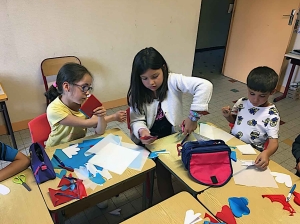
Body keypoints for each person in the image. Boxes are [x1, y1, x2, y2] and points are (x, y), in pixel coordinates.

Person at [127, 47, 213, 200]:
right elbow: (136, 119)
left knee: (184, 165)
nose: (151, 82)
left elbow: (205, 86)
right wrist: (142, 132)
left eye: (155, 76)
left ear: (163, 69)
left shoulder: (172, 80)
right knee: (162, 173)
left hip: (172, 137)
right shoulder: (137, 92)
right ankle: (170, 202)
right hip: (149, 142)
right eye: (144, 78)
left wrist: (193, 118)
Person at [44, 63, 126, 148]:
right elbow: (87, 123)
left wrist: (100, 117)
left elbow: (99, 132)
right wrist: (112, 117)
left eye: (89, 88)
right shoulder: (54, 109)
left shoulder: (85, 102)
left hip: (76, 146)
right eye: (84, 87)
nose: (87, 92)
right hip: (56, 149)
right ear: (66, 86)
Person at [222, 66, 280, 169]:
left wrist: (266, 153)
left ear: (272, 92)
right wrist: (228, 116)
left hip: (252, 152)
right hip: (232, 143)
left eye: (262, 96)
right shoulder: (242, 102)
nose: (255, 99)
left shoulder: (272, 115)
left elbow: (274, 142)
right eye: (252, 93)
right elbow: (235, 121)